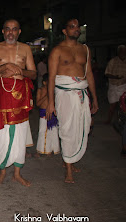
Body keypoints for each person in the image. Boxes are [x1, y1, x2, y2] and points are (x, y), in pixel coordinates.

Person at [46, 18, 98, 183]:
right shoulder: (57, 51)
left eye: (78, 27)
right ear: (65, 31)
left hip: (82, 93)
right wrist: (50, 102)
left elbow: (88, 74)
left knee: (81, 127)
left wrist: (95, 98)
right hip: (65, 95)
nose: (76, 30)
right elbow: (52, 78)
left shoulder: (85, 49)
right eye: (72, 27)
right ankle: (68, 168)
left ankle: (70, 159)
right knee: (67, 129)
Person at [0, 19, 36, 186]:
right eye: (7, 29)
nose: (10, 32)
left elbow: (34, 74)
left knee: (20, 133)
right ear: (3, 31)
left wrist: (20, 70)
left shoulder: (25, 48)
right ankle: (2, 170)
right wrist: (5, 67)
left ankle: (17, 173)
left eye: (14, 29)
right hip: (2, 94)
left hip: (20, 96)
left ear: (19, 32)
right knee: (1, 134)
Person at [36, 73, 60, 156]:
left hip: (52, 113)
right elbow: (38, 103)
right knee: (43, 132)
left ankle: (52, 149)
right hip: (43, 113)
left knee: (53, 131)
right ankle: (41, 150)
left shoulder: (55, 91)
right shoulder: (40, 90)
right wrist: (46, 96)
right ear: (44, 82)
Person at [105, 45, 126, 124]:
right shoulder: (113, 61)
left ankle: (121, 121)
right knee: (112, 105)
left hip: (123, 86)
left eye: (124, 51)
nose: (122, 53)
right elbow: (107, 73)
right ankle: (109, 120)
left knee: (122, 105)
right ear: (118, 52)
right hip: (113, 85)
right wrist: (115, 77)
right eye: (121, 51)